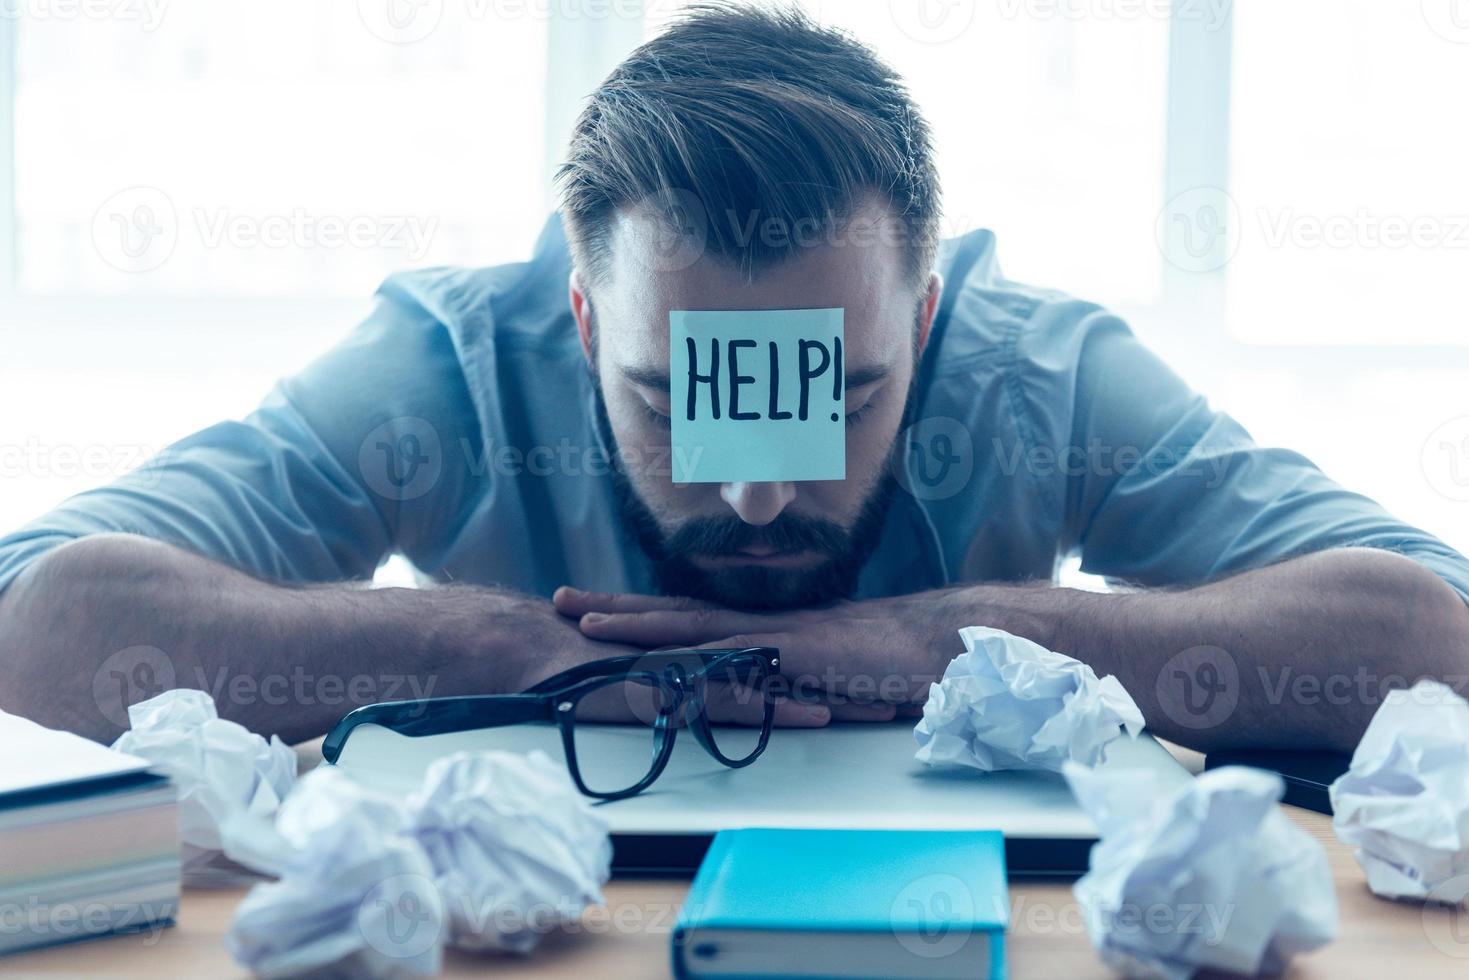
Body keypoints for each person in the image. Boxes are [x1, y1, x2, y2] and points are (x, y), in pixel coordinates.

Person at [2, 4, 1466, 753]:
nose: (761, 485)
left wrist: (966, 633)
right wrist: (502, 658)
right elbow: (29, 621)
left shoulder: (1034, 370)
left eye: (840, 395)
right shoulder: (445, 369)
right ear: (580, 323)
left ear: (929, 310)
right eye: (670, 397)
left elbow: (1441, 635)